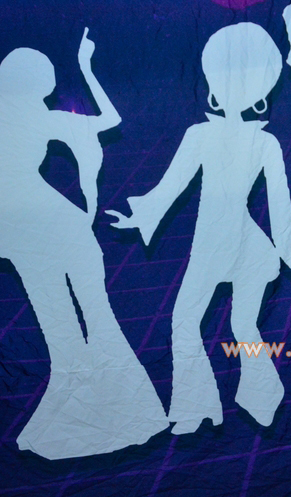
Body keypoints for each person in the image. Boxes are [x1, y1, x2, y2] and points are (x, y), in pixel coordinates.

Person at [107, 23, 291, 433]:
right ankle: (203, 408)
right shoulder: (203, 136)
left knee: (231, 325)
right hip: (216, 245)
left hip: (243, 248)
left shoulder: (265, 143)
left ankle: (252, 399)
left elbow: (281, 211)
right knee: (193, 322)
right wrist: (141, 215)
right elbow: (170, 186)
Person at [2, 29, 168, 460]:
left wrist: (87, 68)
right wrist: (86, 68)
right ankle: (117, 421)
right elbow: (107, 120)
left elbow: (108, 122)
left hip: (41, 233)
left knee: (74, 328)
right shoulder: (39, 119)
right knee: (84, 324)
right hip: (45, 232)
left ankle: (116, 421)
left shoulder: (36, 119)